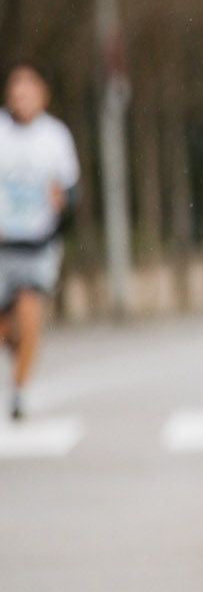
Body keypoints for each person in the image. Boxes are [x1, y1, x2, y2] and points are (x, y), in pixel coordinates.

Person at [0, 62, 80, 422]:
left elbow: (72, 190)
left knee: (30, 314)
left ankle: (19, 392)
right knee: (8, 330)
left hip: (38, 242)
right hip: (2, 244)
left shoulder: (56, 136)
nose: (22, 100)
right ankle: (18, 348)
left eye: (28, 93)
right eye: (16, 93)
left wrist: (63, 200)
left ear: (41, 96)